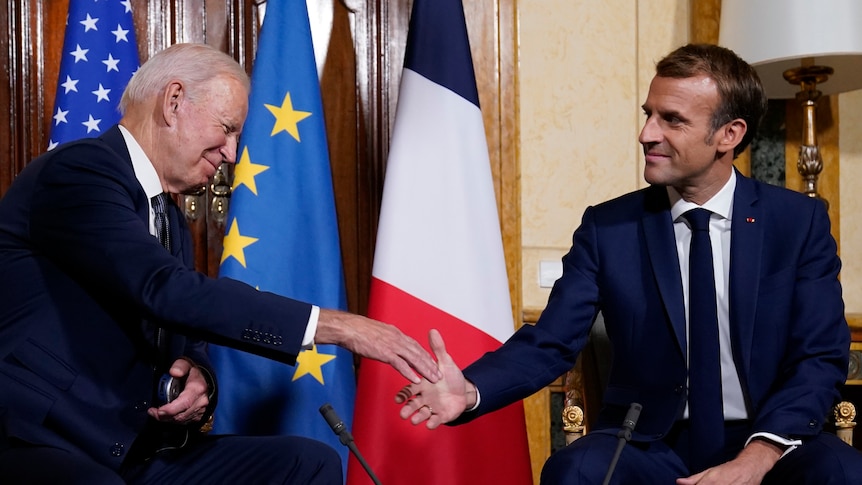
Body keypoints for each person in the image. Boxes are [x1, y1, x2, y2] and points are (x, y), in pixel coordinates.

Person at [397, 43, 862, 484]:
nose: (647, 134)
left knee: (842, 471)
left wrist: (759, 457)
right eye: (648, 115)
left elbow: (818, 355)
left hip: (769, 435)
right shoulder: (608, 228)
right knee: (576, 472)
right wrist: (472, 390)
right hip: (649, 441)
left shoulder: (797, 222)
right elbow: (550, 343)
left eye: (671, 120)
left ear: (729, 134)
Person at [0, 42, 442, 484]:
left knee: (308, 464)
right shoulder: (80, 173)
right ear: (174, 102)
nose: (232, 154)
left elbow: (186, 339)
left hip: (134, 447)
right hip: (41, 438)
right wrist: (340, 327)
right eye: (227, 129)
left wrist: (200, 383)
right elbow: (164, 289)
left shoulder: (168, 217)